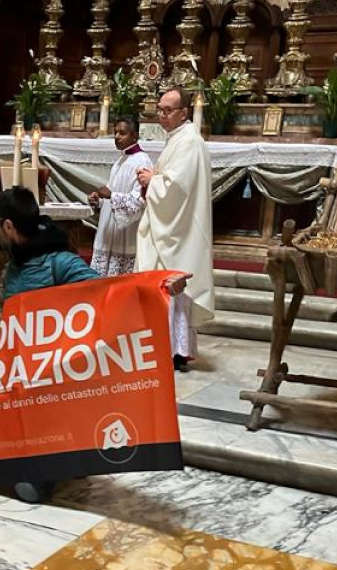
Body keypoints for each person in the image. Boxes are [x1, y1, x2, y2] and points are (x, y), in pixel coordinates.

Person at [0, 187, 188, 502]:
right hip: (26, 372)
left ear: (9, 227)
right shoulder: (17, 264)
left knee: (32, 473)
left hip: (55, 373)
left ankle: (48, 469)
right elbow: (15, 316)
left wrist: (157, 286)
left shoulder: (58, 262)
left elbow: (106, 292)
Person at [135, 88, 214, 372]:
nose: (161, 115)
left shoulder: (189, 142)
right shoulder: (179, 140)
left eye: (168, 110)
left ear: (183, 113)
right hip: (172, 227)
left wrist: (151, 180)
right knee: (166, 287)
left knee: (172, 287)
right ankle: (168, 348)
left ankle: (173, 351)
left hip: (177, 230)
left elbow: (175, 190)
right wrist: (154, 179)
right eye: (159, 109)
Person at [88, 117, 151, 278]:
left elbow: (139, 202)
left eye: (122, 133)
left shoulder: (142, 161)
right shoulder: (121, 160)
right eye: (115, 132)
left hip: (126, 233)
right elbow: (112, 193)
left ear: (135, 136)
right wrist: (99, 201)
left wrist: (111, 195)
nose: (116, 136)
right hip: (109, 232)